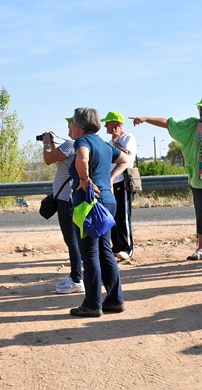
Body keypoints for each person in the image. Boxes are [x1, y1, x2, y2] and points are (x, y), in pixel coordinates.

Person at [132, 95, 202, 260]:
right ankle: (201, 249)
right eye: (200, 108)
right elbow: (169, 123)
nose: (201, 111)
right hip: (199, 177)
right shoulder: (192, 125)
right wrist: (146, 119)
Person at [67, 107, 129, 317]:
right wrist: (110, 180)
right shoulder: (104, 144)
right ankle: (115, 299)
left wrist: (84, 180)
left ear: (80, 126)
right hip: (108, 201)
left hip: (88, 203)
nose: (71, 127)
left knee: (90, 253)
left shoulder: (82, 142)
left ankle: (92, 304)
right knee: (105, 250)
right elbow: (124, 160)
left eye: (72, 124)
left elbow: (82, 158)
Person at [41, 122, 83, 295]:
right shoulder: (81, 145)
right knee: (78, 239)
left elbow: (48, 159)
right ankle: (78, 276)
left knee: (71, 239)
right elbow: (60, 157)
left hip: (66, 199)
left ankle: (76, 278)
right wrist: (52, 143)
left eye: (70, 124)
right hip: (74, 197)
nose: (68, 128)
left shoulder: (71, 143)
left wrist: (45, 144)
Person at [101, 110, 138, 263]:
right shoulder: (109, 142)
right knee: (113, 216)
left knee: (123, 216)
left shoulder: (128, 138)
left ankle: (127, 248)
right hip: (111, 184)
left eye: (108, 123)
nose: (105, 126)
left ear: (116, 124)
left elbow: (127, 157)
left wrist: (116, 142)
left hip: (122, 182)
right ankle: (116, 247)